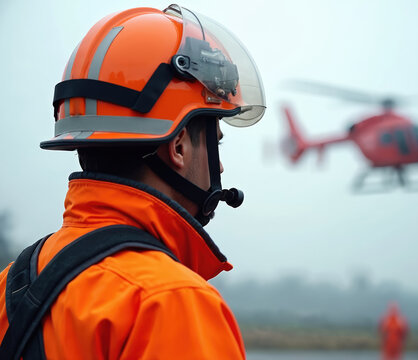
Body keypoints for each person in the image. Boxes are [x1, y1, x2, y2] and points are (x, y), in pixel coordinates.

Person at [0, 4, 265, 359]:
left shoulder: (10, 284)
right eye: (215, 140)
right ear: (179, 146)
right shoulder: (169, 302)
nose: (222, 167)